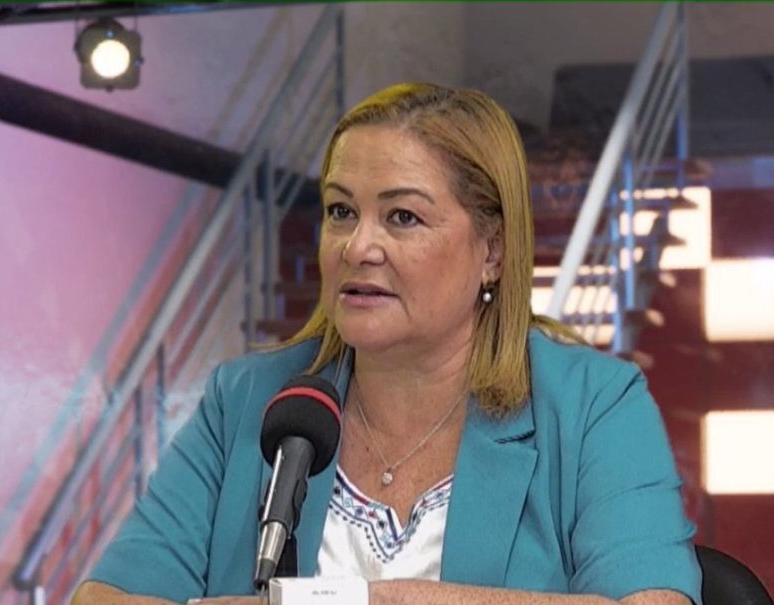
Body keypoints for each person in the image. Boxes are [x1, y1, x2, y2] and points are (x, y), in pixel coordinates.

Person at [73, 83, 702, 605]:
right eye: (340, 211)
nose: (357, 247)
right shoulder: (245, 399)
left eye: (402, 217)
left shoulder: (594, 406)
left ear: (492, 251)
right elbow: (106, 598)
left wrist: (371, 601)